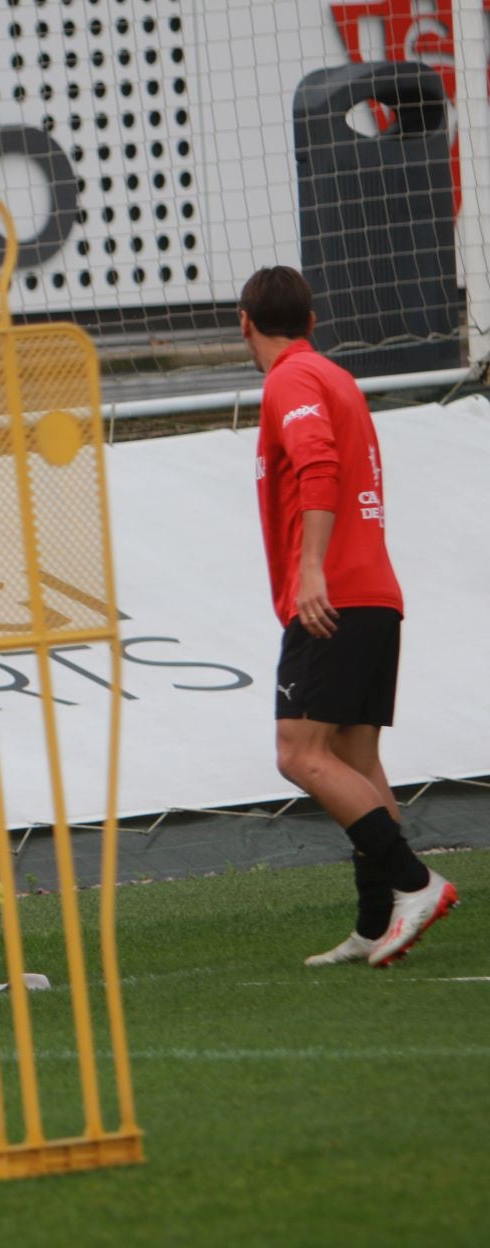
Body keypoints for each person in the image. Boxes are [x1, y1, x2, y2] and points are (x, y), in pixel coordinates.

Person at [239, 266, 456, 967]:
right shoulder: (333, 376)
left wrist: (310, 571)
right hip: (373, 597)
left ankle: (415, 883)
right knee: (355, 761)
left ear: (246, 323)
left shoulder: (291, 381)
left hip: (333, 598)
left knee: (298, 753)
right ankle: (375, 923)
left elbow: (319, 467)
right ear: (312, 318)